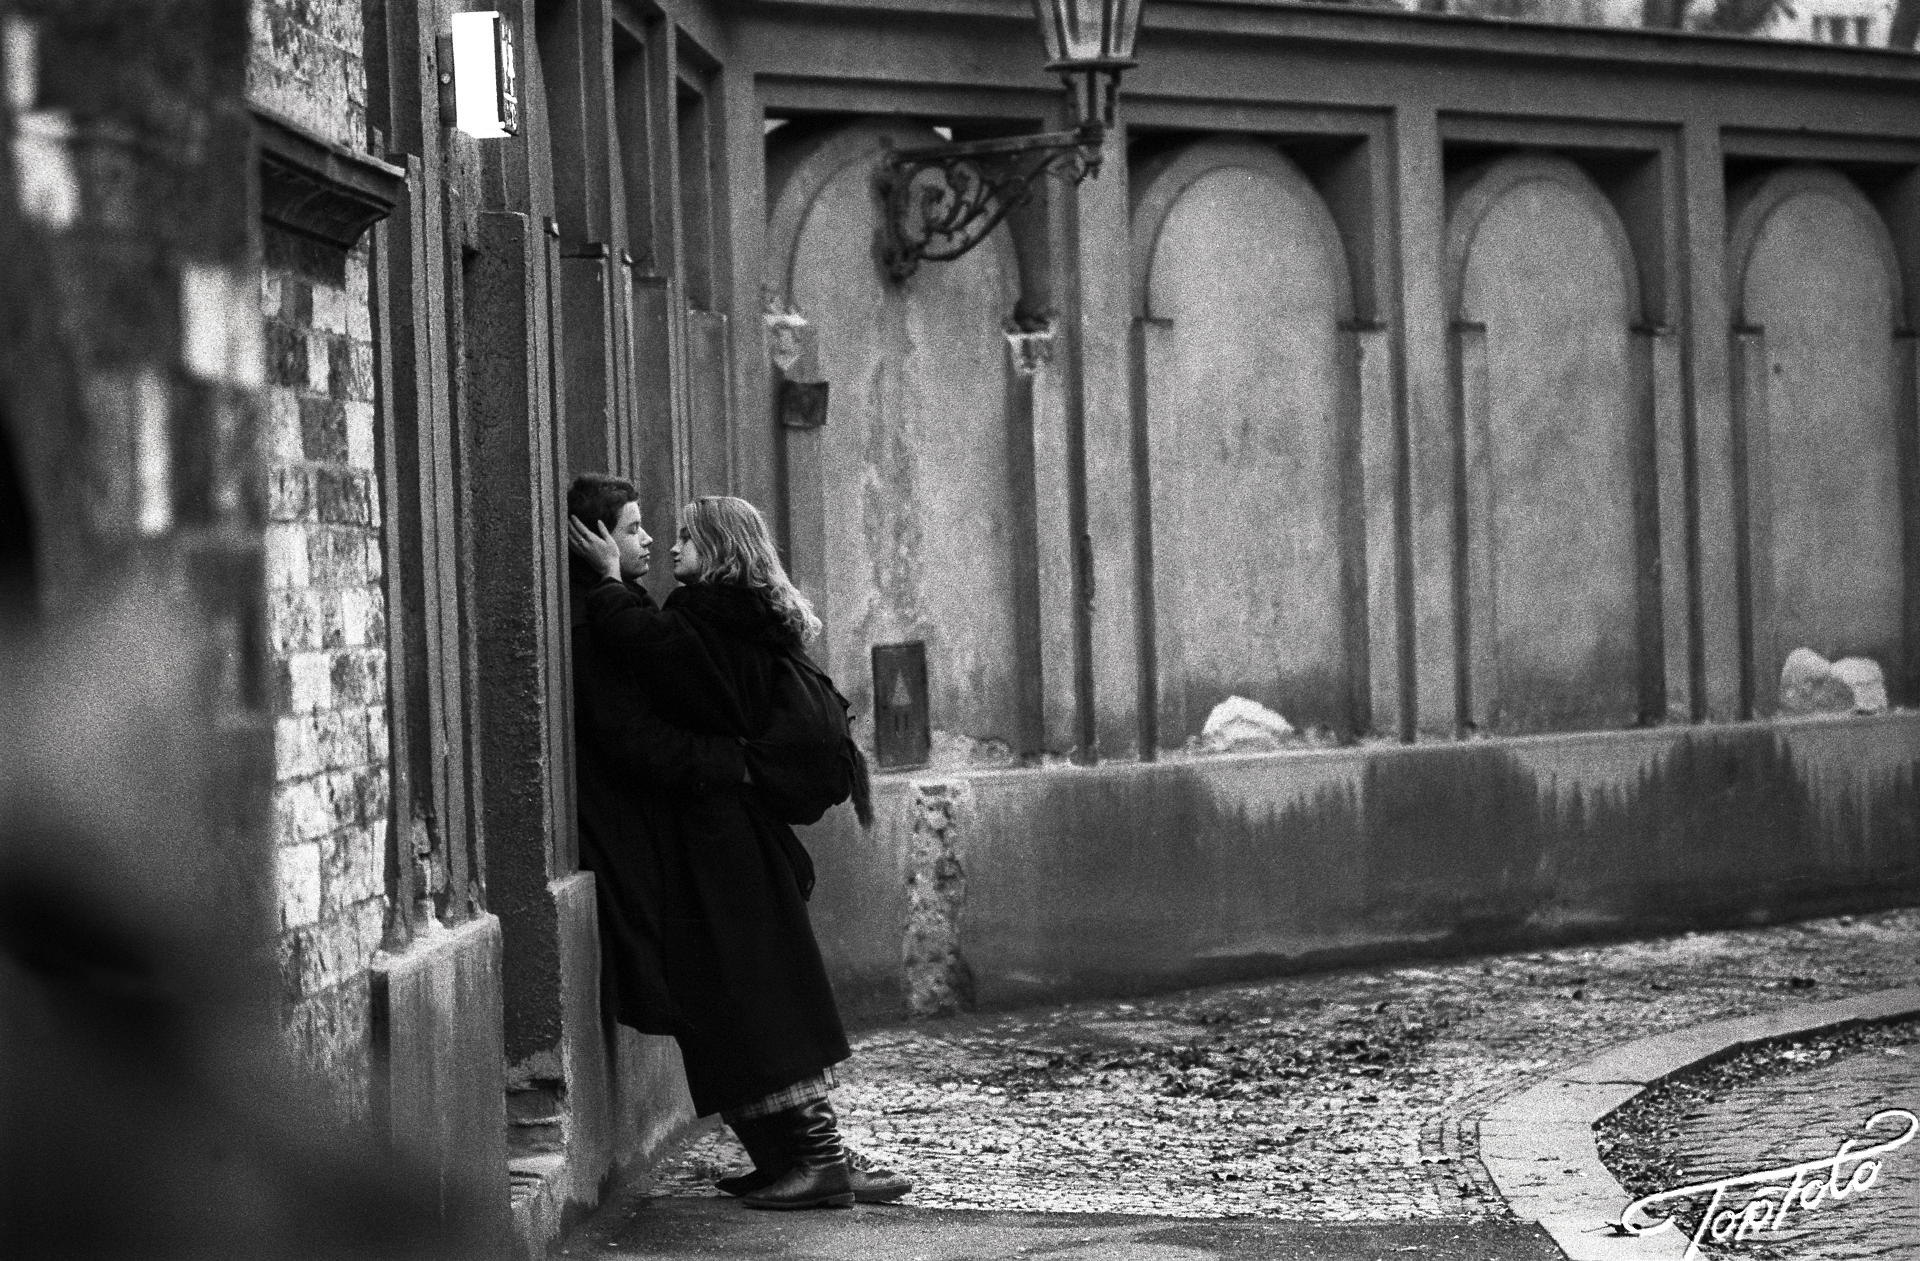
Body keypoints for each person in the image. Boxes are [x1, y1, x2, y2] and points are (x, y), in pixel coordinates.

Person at [567, 490, 909, 1211]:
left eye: (686, 535)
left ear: (718, 550)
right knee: (748, 998)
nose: (669, 542)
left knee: (758, 1001)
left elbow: (656, 653)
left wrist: (602, 584)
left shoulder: (710, 620)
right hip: (735, 836)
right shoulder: (751, 615)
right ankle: (805, 1158)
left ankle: (816, 1159)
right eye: (649, 530)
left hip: (727, 842)